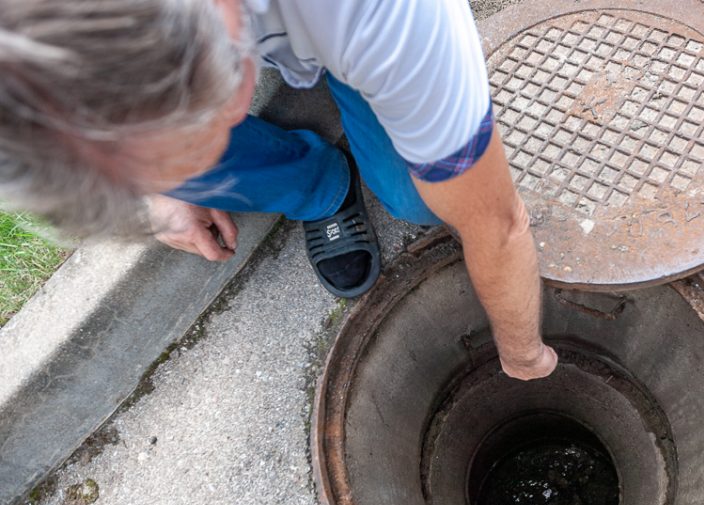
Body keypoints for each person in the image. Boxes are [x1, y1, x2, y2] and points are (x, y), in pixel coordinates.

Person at [0, 0, 558, 381]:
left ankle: (344, 84)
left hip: (340, 29)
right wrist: (152, 192)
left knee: (417, 199)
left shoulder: (389, 20)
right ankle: (318, 185)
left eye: (210, 119)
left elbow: (499, 224)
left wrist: (523, 354)